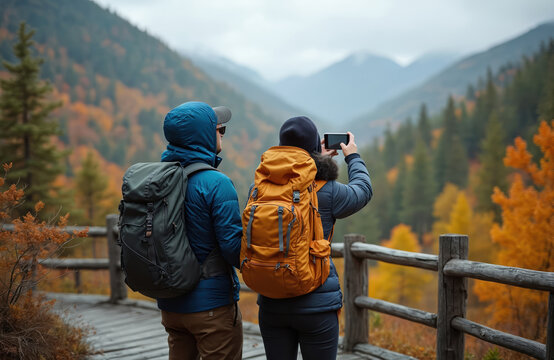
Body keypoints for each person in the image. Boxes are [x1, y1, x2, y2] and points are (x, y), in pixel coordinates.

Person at [256, 116, 373, 360]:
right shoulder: (328, 190)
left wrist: (315, 158)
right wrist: (353, 156)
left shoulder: (260, 187)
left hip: (272, 301)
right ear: (313, 148)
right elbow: (363, 190)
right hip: (316, 304)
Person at [157, 101, 243, 360]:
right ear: (204, 135)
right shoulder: (216, 183)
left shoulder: (157, 179)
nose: (221, 134)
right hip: (211, 308)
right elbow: (232, 248)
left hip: (170, 306)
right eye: (220, 130)